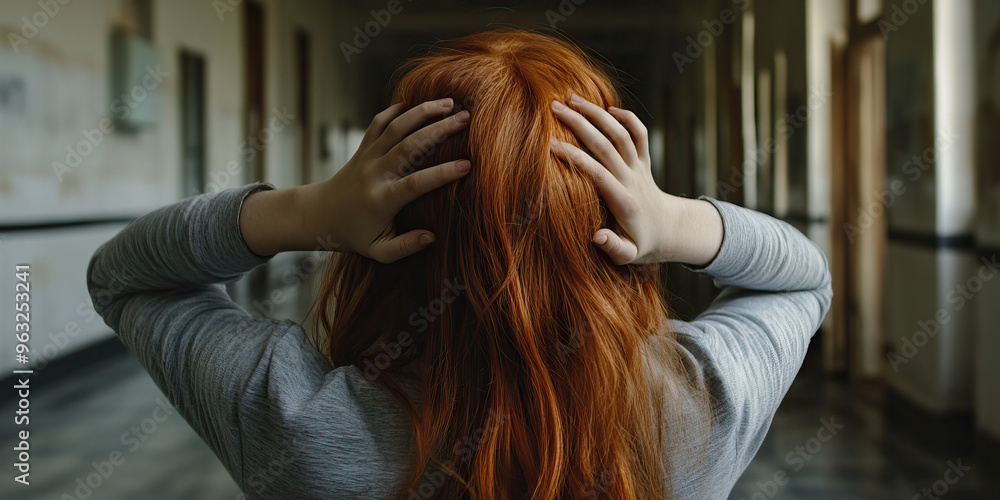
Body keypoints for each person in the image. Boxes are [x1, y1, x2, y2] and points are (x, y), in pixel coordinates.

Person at [87, 29, 832, 499]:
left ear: (392, 223)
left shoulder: (300, 424)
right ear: (609, 217)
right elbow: (806, 278)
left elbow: (123, 278)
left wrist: (311, 212)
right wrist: (673, 222)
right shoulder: (696, 407)